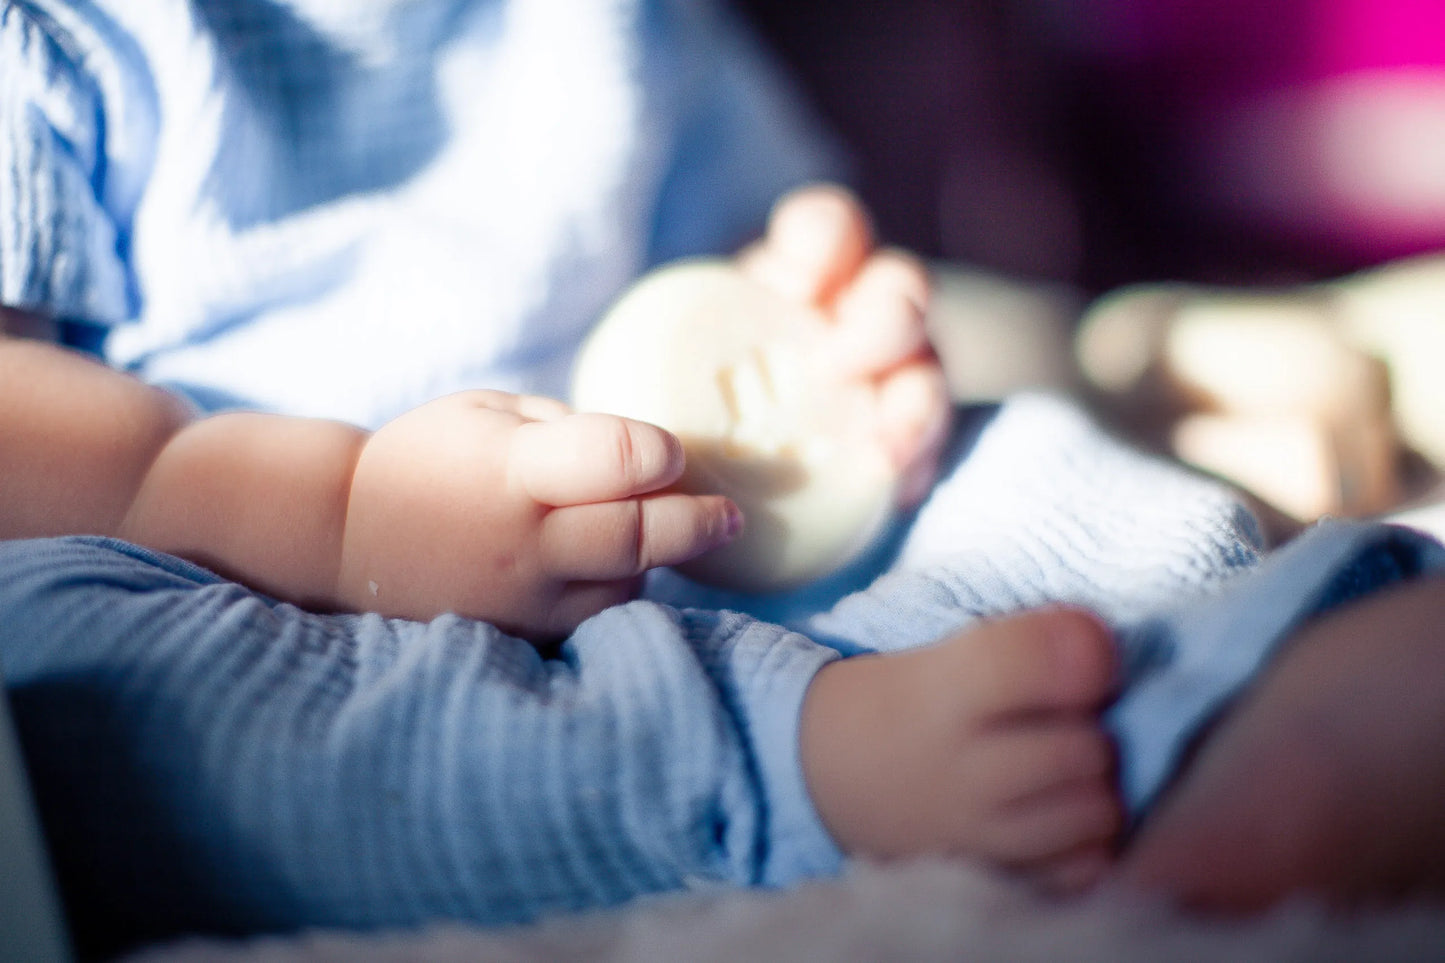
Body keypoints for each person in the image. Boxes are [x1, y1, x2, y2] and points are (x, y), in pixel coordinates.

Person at [2, 0, 1445, 958]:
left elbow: (745, 255)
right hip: (238, 568)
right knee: (93, 696)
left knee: (1024, 459)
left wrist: (827, 326)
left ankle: (1259, 668)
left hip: (691, 519)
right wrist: (339, 517)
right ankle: (801, 771)